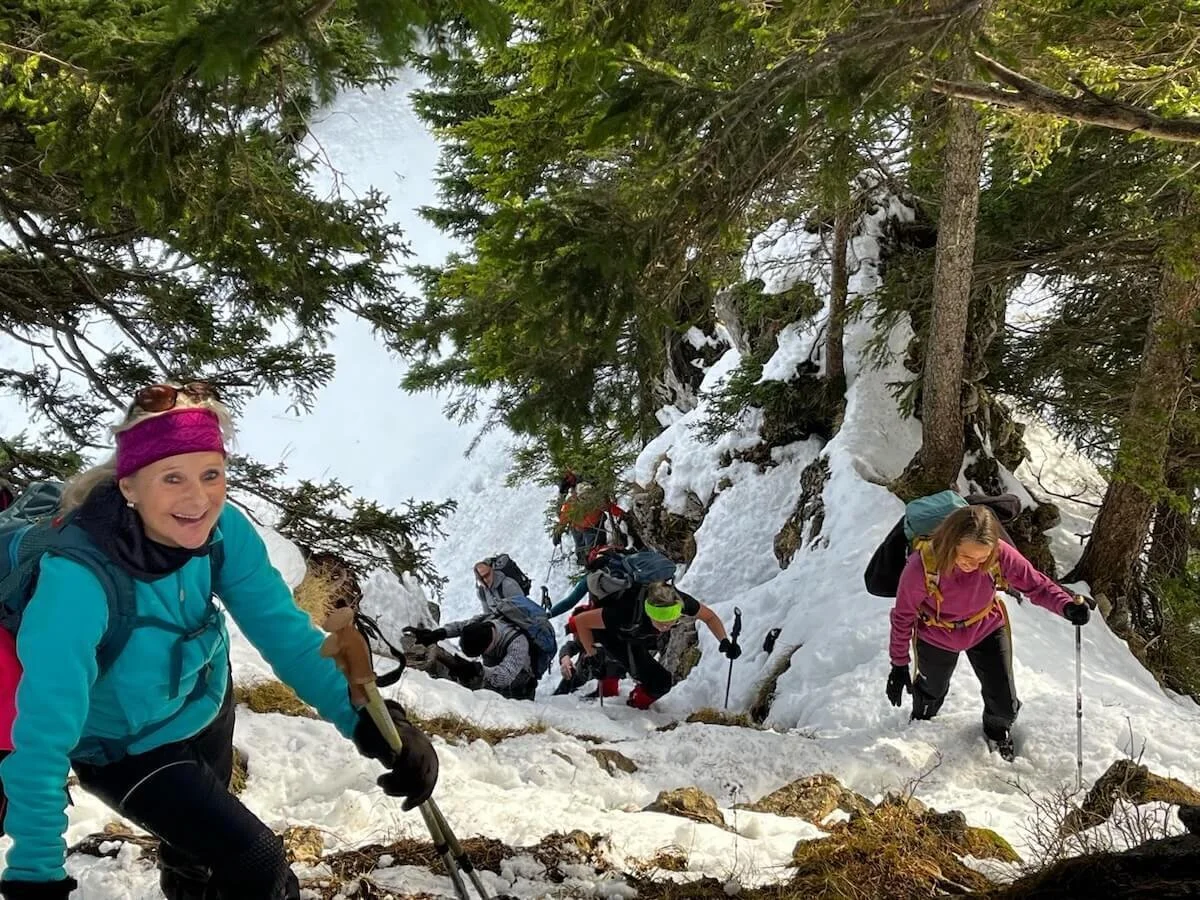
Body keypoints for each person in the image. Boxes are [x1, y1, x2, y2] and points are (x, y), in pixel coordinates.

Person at [0, 383, 438, 900]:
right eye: (172, 477)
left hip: (205, 705)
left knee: (199, 862)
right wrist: (34, 870)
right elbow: (43, 733)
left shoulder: (223, 530)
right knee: (257, 866)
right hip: (124, 749)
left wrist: (372, 719)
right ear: (130, 486)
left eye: (211, 474)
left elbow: (288, 636)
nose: (197, 498)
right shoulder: (77, 580)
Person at [886, 504, 1091, 758]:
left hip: (986, 626)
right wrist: (899, 664)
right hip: (936, 634)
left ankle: (997, 732)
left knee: (1004, 703)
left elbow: (1036, 585)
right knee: (930, 692)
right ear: (950, 542)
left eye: (981, 559)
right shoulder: (922, 566)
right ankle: (922, 723)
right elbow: (903, 616)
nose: (973, 565)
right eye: (966, 557)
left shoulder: (999, 554)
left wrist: (1066, 606)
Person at [572, 582, 739, 709]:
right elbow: (581, 621)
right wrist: (593, 656)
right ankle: (624, 702)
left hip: (636, 635)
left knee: (661, 682)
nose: (665, 627)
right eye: (660, 622)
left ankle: (635, 702)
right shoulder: (625, 610)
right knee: (650, 677)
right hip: (610, 633)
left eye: (671, 622)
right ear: (649, 612)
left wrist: (724, 641)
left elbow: (709, 617)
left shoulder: (680, 601)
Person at [406, 616, 538, 701]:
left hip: (519, 684)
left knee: (478, 688)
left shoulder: (518, 643)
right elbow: (460, 627)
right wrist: (438, 633)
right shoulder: (483, 621)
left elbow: (504, 676)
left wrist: (478, 670)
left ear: (488, 648)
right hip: (492, 668)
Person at [554, 480, 628, 566]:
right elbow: (564, 517)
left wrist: (623, 515)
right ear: (578, 496)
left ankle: (596, 564)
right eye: (584, 496)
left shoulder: (597, 501)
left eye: (589, 495)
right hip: (577, 527)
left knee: (594, 549)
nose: (587, 498)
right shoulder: (571, 504)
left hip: (593, 527)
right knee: (581, 547)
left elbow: (610, 507)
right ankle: (583, 562)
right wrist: (558, 532)